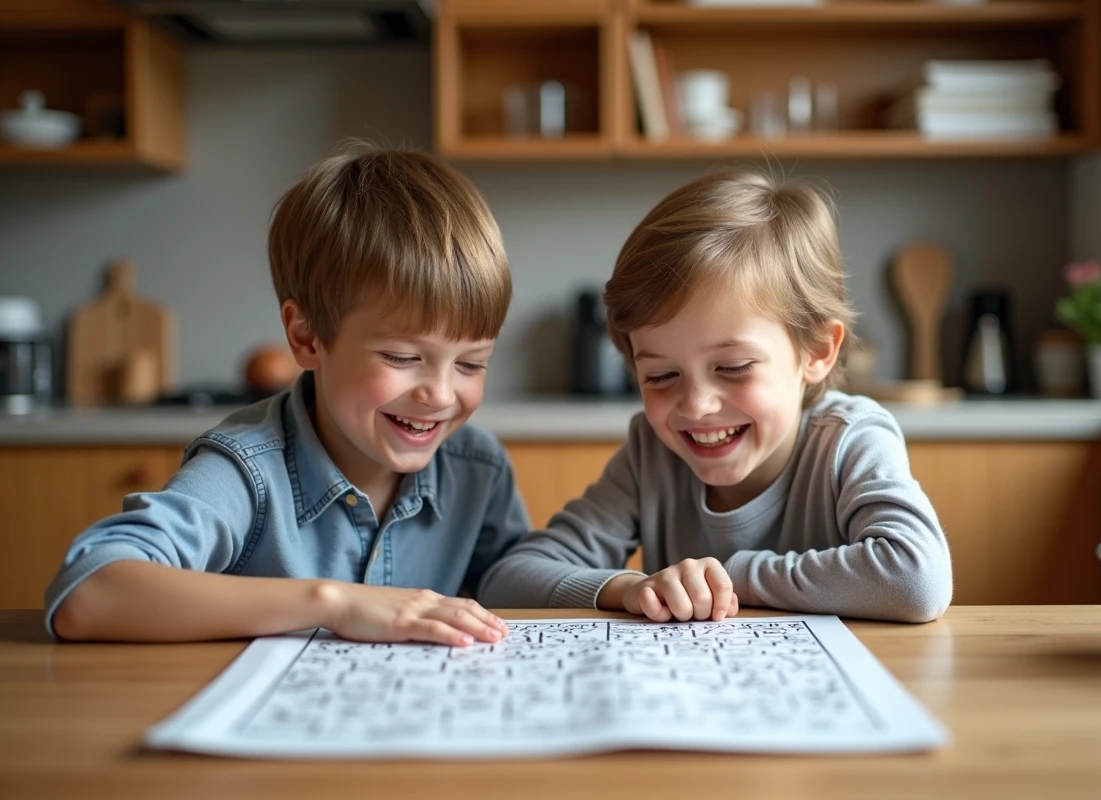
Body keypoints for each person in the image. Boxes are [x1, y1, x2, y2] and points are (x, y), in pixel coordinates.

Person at [46, 146, 527, 646]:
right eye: (402, 357)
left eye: (471, 364)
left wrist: (590, 576)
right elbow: (88, 592)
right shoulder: (245, 472)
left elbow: (513, 576)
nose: (441, 395)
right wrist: (334, 603)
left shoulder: (478, 467)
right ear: (306, 337)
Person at [478, 169, 952, 624]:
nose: (696, 405)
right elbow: (508, 580)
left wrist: (729, 577)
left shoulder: (850, 440)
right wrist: (628, 588)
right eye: (661, 375)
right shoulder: (652, 456)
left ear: (817, 351)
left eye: (733, 367)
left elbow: (916, 579)